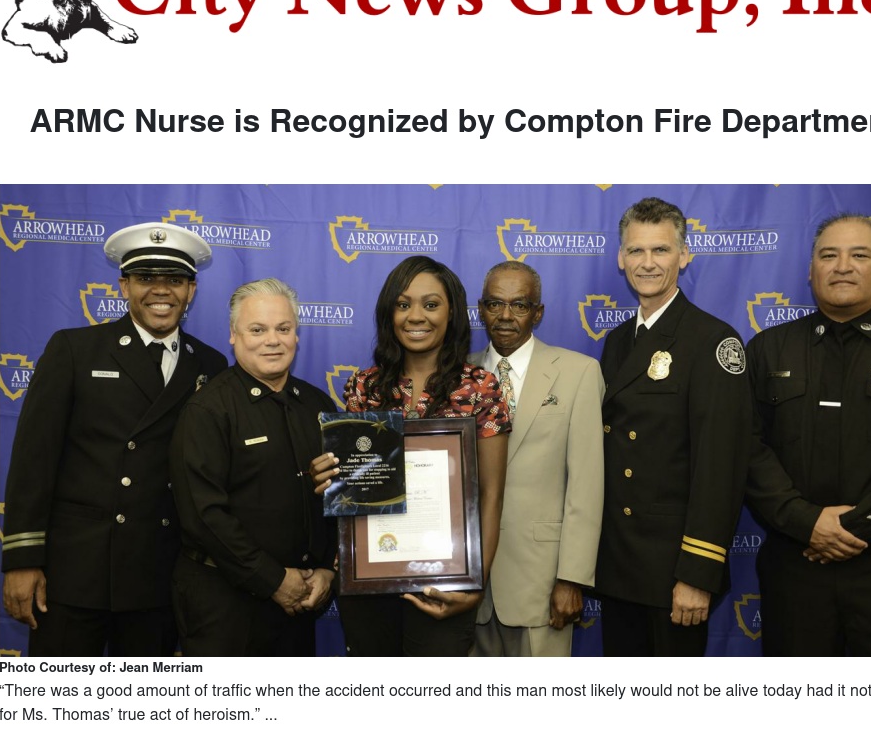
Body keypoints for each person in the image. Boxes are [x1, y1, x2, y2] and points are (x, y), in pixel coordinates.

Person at [1, 222, 228, 656]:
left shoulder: (210, 365)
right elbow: (33, 462)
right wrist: (22, 560)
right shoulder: (75, 349)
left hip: (158, 576)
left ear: (191, 290)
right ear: (124, 286)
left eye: (174, 280)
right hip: (74, 573)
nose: (160, 291)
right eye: (145, 278)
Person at [746, 214, 871, 655]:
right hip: (795, 571)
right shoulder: (768, 349)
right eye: (829, 255)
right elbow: (746, 449)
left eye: (859, 255)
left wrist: (851, 528)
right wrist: (806, 522)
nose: (842, 266)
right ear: (811, 270)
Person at [311, 255, 509, 656]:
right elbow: (354, 486)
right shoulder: (363, 387)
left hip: (445, 582)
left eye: (431, 304)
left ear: (452, 313)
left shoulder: (480, 388)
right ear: (389, 313)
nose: (416, 316)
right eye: (403, 304)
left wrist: (475, 583)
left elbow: (491, 495)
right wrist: (330, 478)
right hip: (368, 577)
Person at [596, 197, 751, 656]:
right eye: (636, 250)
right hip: (619, 564)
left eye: (660, 250)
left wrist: (697, 574)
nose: (647, 263)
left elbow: (720, 468)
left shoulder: (712, 340)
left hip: (673, 572)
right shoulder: (618, 341)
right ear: (621, 258)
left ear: (684, 256)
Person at [169, 278, 337, 656]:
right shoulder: (207, 410)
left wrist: (328, 569)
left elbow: (337, 498)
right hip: (224, 606)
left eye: (283, 328)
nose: (272, 340)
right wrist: (273, 580)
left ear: (296, 335)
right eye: (257, 330)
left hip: (300, 603)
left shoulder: (317, 405)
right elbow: (204, 515)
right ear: (233, 335)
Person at [470, 261, 604, 657]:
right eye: (495, 304)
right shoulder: (456, 374)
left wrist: (572, 578)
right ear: (481, 309)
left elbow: (586, 486)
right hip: (468, 583)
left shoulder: (579, 373)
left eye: (520, 305)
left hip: (541, 583)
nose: (505, 315)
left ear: (538, 312)